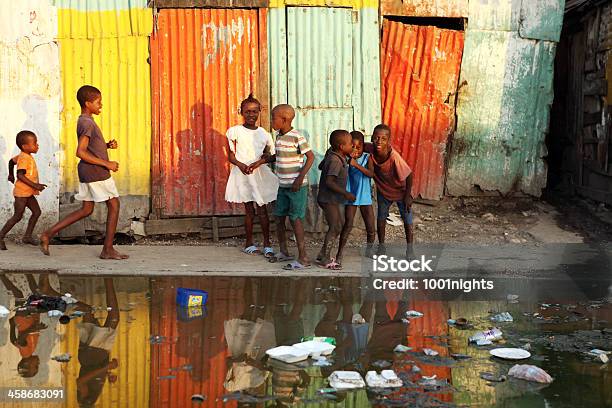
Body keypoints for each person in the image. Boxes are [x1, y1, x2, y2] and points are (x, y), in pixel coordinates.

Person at [40, 85, 128, 260]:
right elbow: (80, 151)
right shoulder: (87, 122)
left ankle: (47, 234)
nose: (101, 105)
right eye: (98, 102)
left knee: (86, 209)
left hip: (87, 171)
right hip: (96, 172)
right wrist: (107, 163)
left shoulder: (85, 121)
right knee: (114, 205)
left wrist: (106, 146)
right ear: (88, 103)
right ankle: (108, 249)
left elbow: (90, 147)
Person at [225, 94, 279, 257]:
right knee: (249, 210)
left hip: (258, 173)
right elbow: (230, 155)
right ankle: (249, 243)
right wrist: (241, 165)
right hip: (242, 173)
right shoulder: (234, 132)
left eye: (255, 111)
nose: (251, 115)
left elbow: (271, 155)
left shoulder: (264, 134)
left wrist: (258, 163)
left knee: (262, 209)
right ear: (241, 112)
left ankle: (267, 244)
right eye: (247, 112)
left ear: (260, 112)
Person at [268, 104, 314, 270]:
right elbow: (277, 156)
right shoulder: (279, 136)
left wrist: (299, 178)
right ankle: (284, 251)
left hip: (296, 187)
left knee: (295, 219)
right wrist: (261, 161)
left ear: (285, 119)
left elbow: (310, 157)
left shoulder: (297, 137)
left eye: (274, 118)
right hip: (282, 186)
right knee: (279, 217)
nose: (271, 121)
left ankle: (303, 258)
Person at [366, 124, 414, 252]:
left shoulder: (394, 157)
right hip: (383, 191)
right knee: (381, 219)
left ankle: (410, 250)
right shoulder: (369, 149)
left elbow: (409, 175)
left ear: (388, 141)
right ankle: (381, 246)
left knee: (407, 221)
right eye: (376, 138)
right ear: (371, 138)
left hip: (401, 192)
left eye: (383, 139)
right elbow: (355, 141)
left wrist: (407, 196)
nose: (379, 141)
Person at [0, 131, 46, 250]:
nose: (37, 145)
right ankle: (0, 236)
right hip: (21, 193)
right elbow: (20, 175)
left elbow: (11, 162)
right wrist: (35, 186)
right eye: (34, 143)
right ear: (25, 147)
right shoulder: (24, 158)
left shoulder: (23, 156)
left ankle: (27, 237)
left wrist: (10, 175)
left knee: (36, 212)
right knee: (17, 216)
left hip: (28, 193)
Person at [315, 130, 355, 270]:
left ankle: (322, 254)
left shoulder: (335, 156)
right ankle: (324, 258)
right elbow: (330, 182)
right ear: (341, 147)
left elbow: (320, 166)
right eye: (351, 144)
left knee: (339, 225)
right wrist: (346, 193)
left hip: (330, 199)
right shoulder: (335, 160)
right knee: (335, 227)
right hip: (328, 199)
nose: (353, 147)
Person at [337, 131, 376, 262]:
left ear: (363, 147)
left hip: (365, 197)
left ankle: (369, 251)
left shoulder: (367, 157)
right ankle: (340, 253)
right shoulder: (344, 159)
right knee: (348, 224)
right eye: (352, 146)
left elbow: (371, 174)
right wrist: (349, 163)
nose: (355, 150)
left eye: (358, 147)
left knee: (371, 227)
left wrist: (356, 164)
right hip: (351, 196)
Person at [1, 274, 46, 378]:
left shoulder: (26, 353)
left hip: (26, 318)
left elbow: (21, 340)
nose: (38, 364)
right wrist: (12, 324)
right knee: (19, 295)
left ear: (27, 364)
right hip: (23, 318)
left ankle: (28, 274)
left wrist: (34, 328)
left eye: (35, 366)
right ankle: (3, 275)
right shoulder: (25, 352)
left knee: (37, 295)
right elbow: (14, 342)